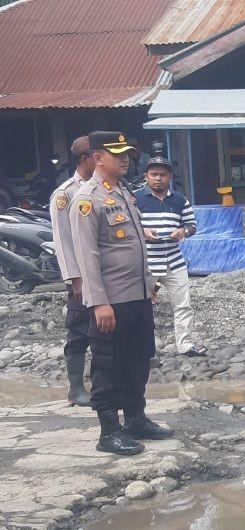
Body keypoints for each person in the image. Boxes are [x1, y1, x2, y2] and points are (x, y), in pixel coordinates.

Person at [69, 131, 169, 456]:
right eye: (118, 154)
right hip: (110, 301)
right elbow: (88, 256)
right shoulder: (88, 199)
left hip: (137, 295)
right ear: (98, 158)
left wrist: (149, 282)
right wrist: (98, 303)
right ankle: (109, 430)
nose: (126, 158)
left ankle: (136, 418)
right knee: (109, 364)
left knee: (138, 357)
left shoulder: (124, 192)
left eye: (127, 153)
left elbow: (135, 243)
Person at [134, 157, 207, 357]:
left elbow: (192, 226)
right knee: (141, 308)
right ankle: (143, 348)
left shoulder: (179, 200)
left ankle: (185, 345)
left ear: (170, 177)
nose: (158, 178)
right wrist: (143, 231)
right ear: (146, 176)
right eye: (154, 174)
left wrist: (183, 231)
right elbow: (127, 227)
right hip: (146, 262)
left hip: (174, 261)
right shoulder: (135, 199)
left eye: (163, 175)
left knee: (183, 305)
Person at [50, 135, 95, 406]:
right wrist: (74, 279)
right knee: (79, 330)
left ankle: (101, 384)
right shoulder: (65, 194)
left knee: (105, 330)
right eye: (96, 154)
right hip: (80, 277)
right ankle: (76, 389)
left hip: (102, 274)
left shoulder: (104, 187)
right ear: (85, 158)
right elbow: (63, 241)